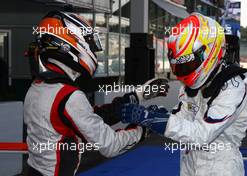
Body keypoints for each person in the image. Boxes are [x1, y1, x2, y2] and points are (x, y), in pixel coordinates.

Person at [24, 11, 169, 176]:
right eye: (89, 42)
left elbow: (89, 117)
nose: (93, 49)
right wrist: (146, 127)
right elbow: (111, 145)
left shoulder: (37, 88)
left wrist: (138, 95)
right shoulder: (68, 95)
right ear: (69, 42)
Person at [120, 13, 247, 176]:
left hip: (222, 166)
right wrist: (156, 116)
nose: (183, 73)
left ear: (209, 52)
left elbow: (202, 134)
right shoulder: (193, 85)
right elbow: (183, 118)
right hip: (189, 160)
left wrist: (154, 119)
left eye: (188, 64)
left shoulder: (232, 89)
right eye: (179, 67)